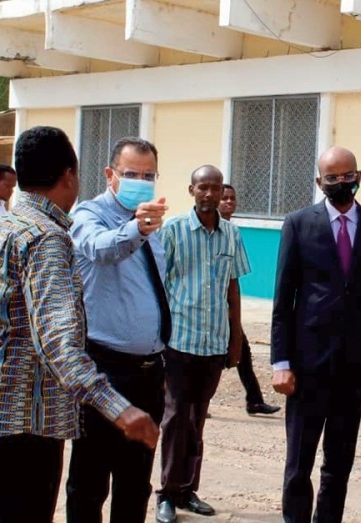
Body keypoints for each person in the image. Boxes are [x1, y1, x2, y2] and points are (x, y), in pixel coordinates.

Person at [0, 126, 158, 523]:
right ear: (71, 176)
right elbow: (56, 343)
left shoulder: (0, 228)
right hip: (25, 420)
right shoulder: (47, 239)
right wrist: (120, 409)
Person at [271, 146, 361, 523]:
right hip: (307, 363)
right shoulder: (298, 223)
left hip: (354, 364)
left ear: (358, 176)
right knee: (299, 461)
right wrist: (281, 362)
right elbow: (283, 299)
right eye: (333, 178)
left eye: (348, 176)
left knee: (339, 461)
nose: (342, 183)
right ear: (319, 182)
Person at [65, 137, 170, 523]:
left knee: (136, 479)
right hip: (104, 369)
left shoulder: (152, 223)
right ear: (110, 175)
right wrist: (138, 228)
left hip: (149, 370)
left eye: (148, 175)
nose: (140, 182)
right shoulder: (90, 215)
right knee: (90, 480)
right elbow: (102, 249)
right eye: (130, 174)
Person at [156, 165, 251, 523]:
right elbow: (159, 285)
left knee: (198, 421)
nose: (209, 194)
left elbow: (233, 288)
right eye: (203, 188)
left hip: (214, 343)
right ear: (191, 190)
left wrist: (235, 339)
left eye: (215, 188)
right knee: (175, 417)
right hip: (180, 341)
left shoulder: (231, 234)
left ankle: (187, 490)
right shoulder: (175, 231)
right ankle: (165, 492)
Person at [218, 184, 280, 416]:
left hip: (227, 305)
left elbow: (234, 278)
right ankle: (193, 403)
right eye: (224, 198)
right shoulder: (211, 229)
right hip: (212, 307)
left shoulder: (231, 230)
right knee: (214, 358)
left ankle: (254, 399)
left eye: (232, 198)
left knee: (241, 351)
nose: (229, 202)